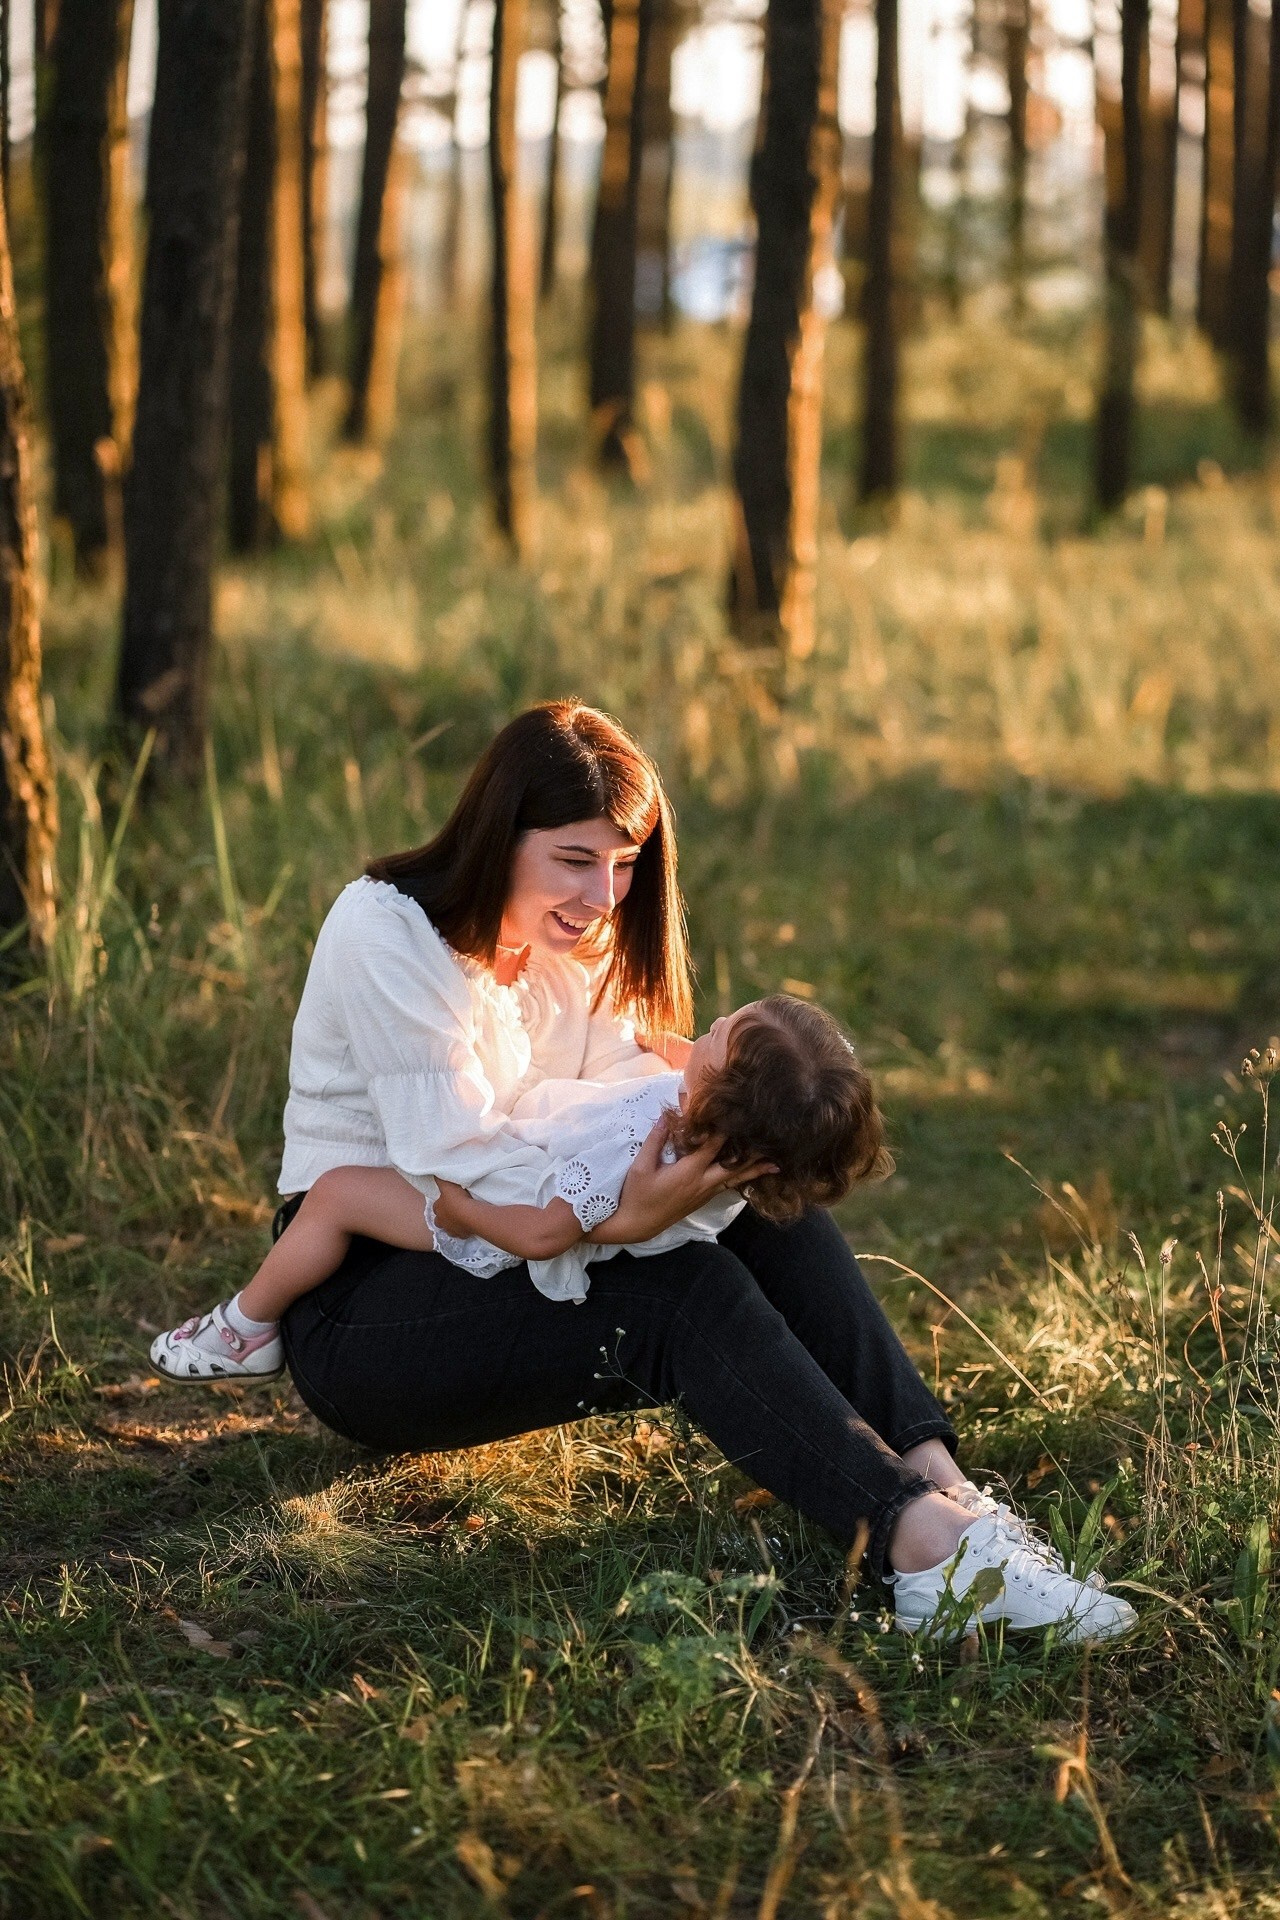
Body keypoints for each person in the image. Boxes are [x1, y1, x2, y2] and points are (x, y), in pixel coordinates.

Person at [149, 701, 1136, 1644]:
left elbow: (613, 1087)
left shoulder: (570, 935)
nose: (603, 895)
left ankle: (943, 1491)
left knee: (762, 1209)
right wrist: (618, 1221)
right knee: (677, 1291)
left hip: (502, 1247)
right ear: (499, 834)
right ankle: (920, 1548)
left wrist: (703, 1147)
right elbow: (473, 1174)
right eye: (573, 859)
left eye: (620, 865)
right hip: (359, 1308)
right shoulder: (388, 935)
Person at [150, 992, 891, 1367]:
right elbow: (681, 1064)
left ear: (718, 1096)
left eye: (722, 1033)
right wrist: (670, 1048)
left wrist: (462, 1209)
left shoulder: (639, 1152)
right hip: (517, 1172)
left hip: (504, 1206)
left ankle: (244, 1329)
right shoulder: (714, 1140)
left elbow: (545, 1233)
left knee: (339, 1192)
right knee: (351, 1185)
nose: (715, 1018)